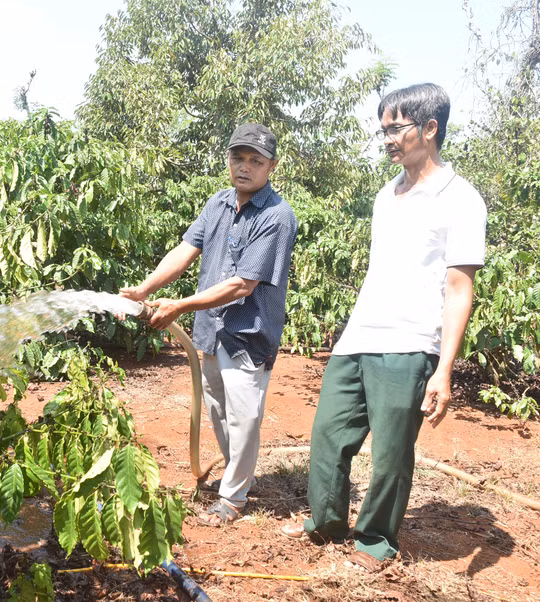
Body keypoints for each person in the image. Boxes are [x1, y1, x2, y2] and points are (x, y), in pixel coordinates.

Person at [281, 83, 487, 571]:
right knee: (330, 435)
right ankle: (326, 523)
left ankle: (374, 540)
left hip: (412, 342)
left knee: (391, 452)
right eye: (384, 130)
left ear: (430, 128)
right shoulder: (385, 193)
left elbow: (459, 288)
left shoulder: (461, 199)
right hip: (360, 336)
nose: (388, 139)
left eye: (396, 128)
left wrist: (444, 368)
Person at [120, 123, 298, 526]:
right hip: (212, 330)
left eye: (256, 161)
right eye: (239, 158)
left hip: (248, 334)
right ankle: (237, 477)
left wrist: (179, 305)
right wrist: (144, 290)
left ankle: (233, 498)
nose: (245, 167)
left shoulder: (276, 216)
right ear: (229, 160)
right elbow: (185, 249)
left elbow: (242, 284)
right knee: (217, 409)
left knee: (243, 416)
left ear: (272, 166)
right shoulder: (217, 203)